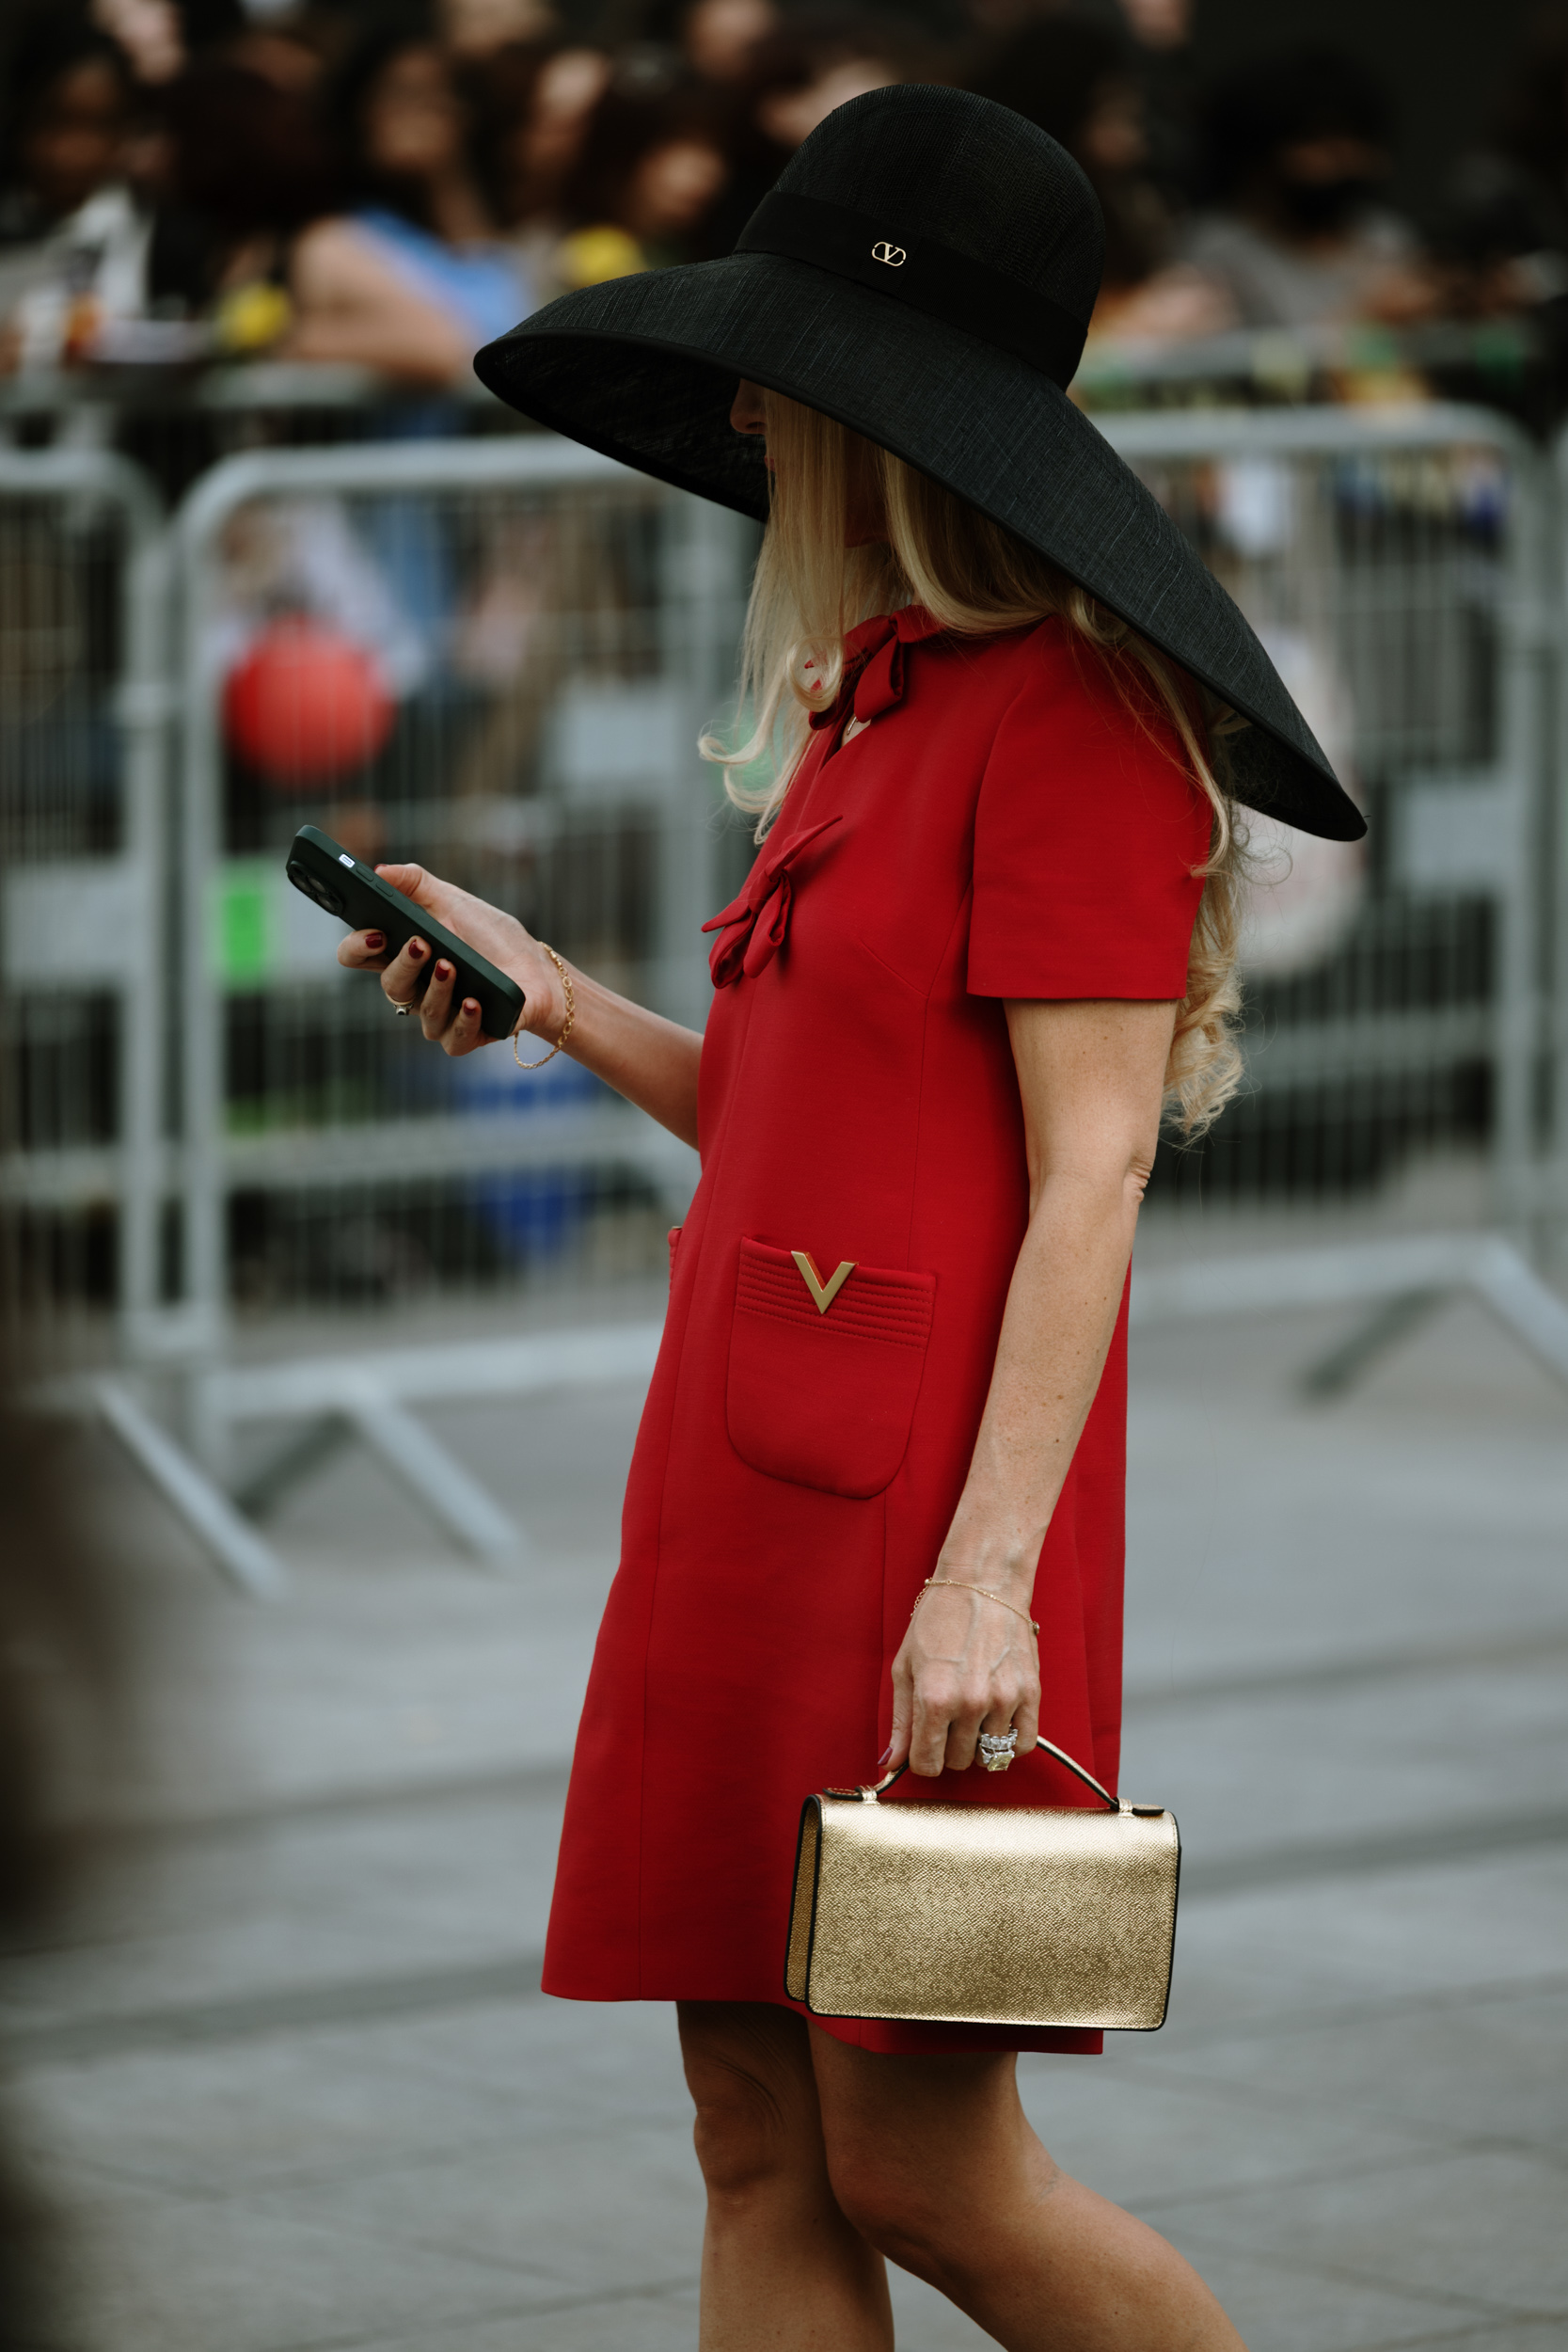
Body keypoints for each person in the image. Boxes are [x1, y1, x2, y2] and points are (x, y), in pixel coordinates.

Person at [339, 84, 1362, 2347]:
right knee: (744, 2122)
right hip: (735, 1486)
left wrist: (984, 1578)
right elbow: (816, 1134)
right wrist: (559, 997)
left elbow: (1088, 1170)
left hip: (927, 1536)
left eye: (777, 363)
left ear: (869, 403)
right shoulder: (869, 699)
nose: (736, 404)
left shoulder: (1074, 714)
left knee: (926, 2166)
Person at [286, 21, 528, 386]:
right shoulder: (332, 243)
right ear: (360, 109)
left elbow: (512, 317)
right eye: (405, 92)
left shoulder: (467, 236)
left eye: (444, 94)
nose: (429, 111)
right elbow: (451, 350)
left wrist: (447, 174)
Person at [967, 18, 1227, 344]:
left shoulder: (1133, 199)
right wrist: (1140, 327)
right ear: (1054, 123)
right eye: (1111, 119)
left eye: (1134, 119)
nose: (1134, 145)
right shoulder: (1001, 224)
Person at [1181, 45, 1436, 333]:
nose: (1345, 158)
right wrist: (1366, 319)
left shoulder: (1387, 239)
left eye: (1358, 139)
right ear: (1256, 157)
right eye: (1317, 140)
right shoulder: (1215, 253)